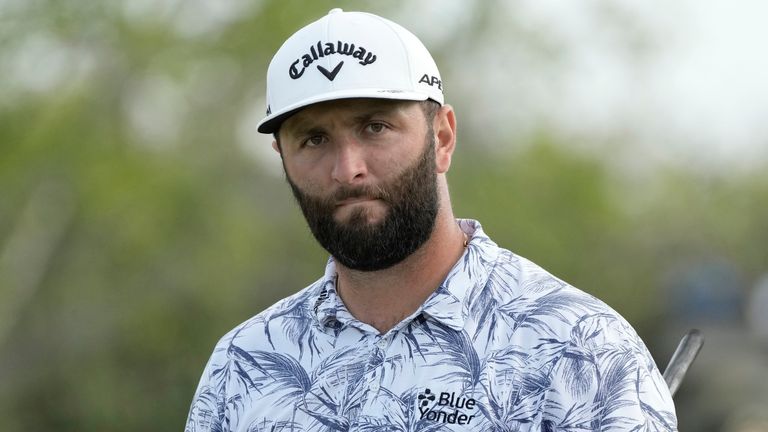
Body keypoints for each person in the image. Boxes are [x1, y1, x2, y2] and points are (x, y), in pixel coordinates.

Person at [186, 9, 677, 432]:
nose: (347, 167)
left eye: (375, 127)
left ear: (441, 137)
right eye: (313, 139)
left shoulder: (581, 347)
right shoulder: (242, 364)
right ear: (281, 156)